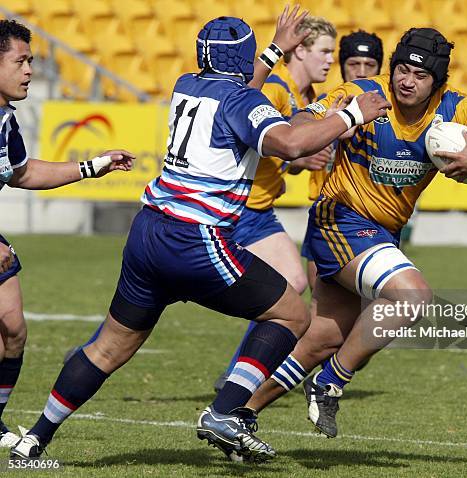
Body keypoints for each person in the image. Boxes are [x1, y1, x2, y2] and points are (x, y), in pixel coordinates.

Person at [10, 15, 391, 462]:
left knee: (109, 346)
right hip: (195, 240)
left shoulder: (187, 83)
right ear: (244, 57)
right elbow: (289, 143)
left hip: (148, 232)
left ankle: (34, 440)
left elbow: (239, 89)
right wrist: (351, 113)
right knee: (291, 315)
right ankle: (226, 411)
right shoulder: (242, 100)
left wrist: (274, 50)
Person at [242, 27, 467, 439]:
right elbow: (299, 121)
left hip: (381, 235)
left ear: (437, 82)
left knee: (322, 340)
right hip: (338, 220)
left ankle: (237, 412)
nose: (406, 80)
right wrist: (335, 122)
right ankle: (329, 384)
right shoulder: (365, 92)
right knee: (412, 295)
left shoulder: (458, 109)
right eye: (401, 69)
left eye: (419, 75)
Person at [0, 20, 134, 448]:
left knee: (13, 329)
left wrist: (95, 165)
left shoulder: (5, 118)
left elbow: (23, 173)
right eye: (20, 61)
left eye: (31, 61)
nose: (29, 71)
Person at [213, 16, 338, 392]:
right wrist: (295, 159)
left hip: (261, 210)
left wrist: (299, 163)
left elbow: (288, 157)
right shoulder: (277, 89)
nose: (331, 60)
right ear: (298, 50)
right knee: (288, 287)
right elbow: (250, 136)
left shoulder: (308, 99)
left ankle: (241, 373)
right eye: (324, 51)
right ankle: (243, 373)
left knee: (292, 284)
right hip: (238, 208)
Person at [301, 29, 384, 290]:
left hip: (372, 217)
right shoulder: (326, 106)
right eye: (353, 64)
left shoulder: (390, 114)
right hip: (326, 214)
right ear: (342, 67)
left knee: (369, 300)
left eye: (369, 65)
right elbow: (294, 151)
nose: (361, 71)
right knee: (320, 300)